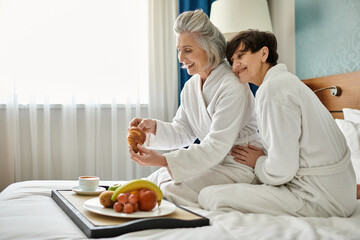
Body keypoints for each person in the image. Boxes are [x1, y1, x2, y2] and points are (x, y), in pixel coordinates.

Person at [198, 29, 357, 217]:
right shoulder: (286, 83)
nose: (235, 66)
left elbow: (281, 171)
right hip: (341, 193)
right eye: (232, 61)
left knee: (209, 195)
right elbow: (292, 149)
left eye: (241, 56)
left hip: (319, 197)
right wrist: (266, 156)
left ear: (263, 54)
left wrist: (258, 162)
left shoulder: (273, 90)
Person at [128, 10, 262, 207]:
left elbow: (216, 146)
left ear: (210, 49)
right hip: (209, 162)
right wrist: (153, 128)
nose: (181, 58)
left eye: (188, 50)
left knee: (167, 191)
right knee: (144, 185)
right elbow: (183, 131)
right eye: (178, 50)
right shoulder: (191, 86)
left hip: (238, 165)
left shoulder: (232, 86)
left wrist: (165, 160)